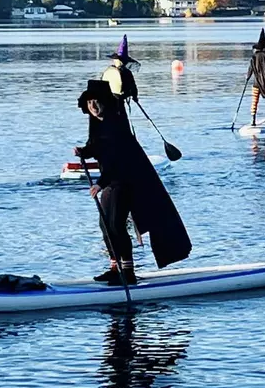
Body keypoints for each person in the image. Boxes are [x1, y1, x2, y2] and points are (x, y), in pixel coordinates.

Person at [74, 80, 191, 286]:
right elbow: (97, 146)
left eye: (96, 102)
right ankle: (114, 267)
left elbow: (117, 159)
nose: (93, 107)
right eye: (90, 103)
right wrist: (84, 152)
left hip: (125, 181)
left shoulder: (115, 124)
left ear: (105, 103)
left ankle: (127, 271)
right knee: (105, 225)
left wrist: (100, 183)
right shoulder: (98, 124)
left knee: (116, 225)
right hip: (112, 181)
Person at [102, 34, 140, 133]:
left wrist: (134, 96)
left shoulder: (110, 71)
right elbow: (133, 87)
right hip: (118, 101)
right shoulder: (126, 72)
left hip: (109, 102)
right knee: (121, 119)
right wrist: (134, 97)